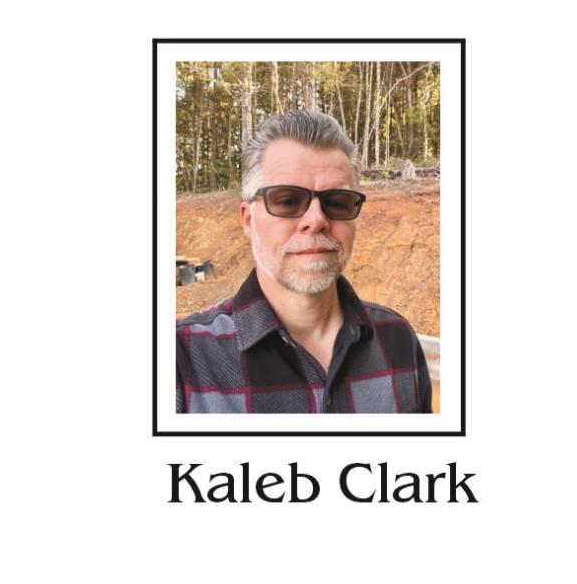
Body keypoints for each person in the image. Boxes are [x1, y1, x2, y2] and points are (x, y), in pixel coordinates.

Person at [175, 109, 433, 415]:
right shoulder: (181, 361)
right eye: (287, 200)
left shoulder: (397, 340)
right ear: (248, 220)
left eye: (337, 202)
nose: (316, 220)